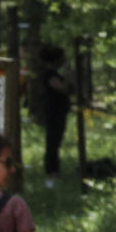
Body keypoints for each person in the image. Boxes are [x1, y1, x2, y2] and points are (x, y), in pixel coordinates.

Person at [33, 46, 75, 185]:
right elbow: (62, 88)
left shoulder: (54, 73)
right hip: (53, 113)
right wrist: (68, 76)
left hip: (59, 112)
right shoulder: (50, 75)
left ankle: (55, 172)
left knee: (56, 142)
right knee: (52, 143)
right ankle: (51, 173)